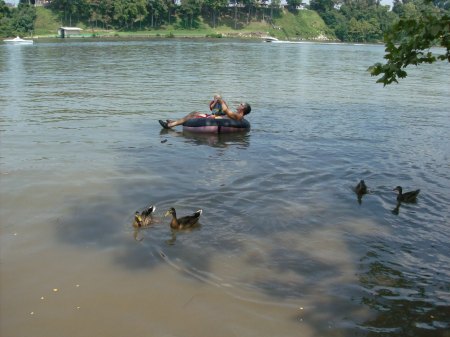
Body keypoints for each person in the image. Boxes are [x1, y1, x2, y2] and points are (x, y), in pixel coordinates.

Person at [159, 97, 251, 129]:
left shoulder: (237, 115)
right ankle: (175, 122)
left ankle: (170, 126)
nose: (239, 105)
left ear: (243, 108)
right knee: (195, 113)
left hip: (215, 120)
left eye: (241, 104)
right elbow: (225, 113)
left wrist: (221, 101)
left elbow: (227, 111)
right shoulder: (239, 116)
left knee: (194, 114)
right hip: (217, 118)